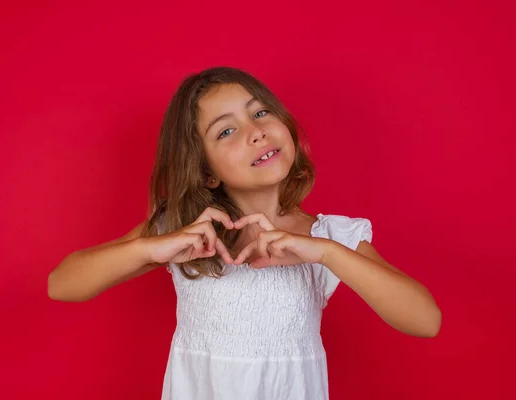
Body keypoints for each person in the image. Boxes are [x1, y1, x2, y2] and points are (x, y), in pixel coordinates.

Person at [48, 66, 442, 400]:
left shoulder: (327, 236)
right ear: (206, 171)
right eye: (225, 131)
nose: (256, 132)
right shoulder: (182, 230)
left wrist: (325, 253)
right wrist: (150, 248)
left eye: (261, 113)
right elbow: (62, 284)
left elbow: (426, 320)